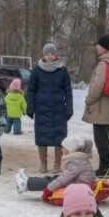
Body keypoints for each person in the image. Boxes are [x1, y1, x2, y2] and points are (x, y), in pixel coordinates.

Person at [27, 43, 74, 173]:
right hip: (41, 109)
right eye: (47, 54)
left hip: (59, 109)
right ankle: (43, 164)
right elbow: (31, 90)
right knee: (42, 138)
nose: (50, 57)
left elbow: (68, 91)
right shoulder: (37, 70)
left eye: (52, 54)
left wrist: (69, 108)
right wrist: (30, 107)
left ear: (56, 55)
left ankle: (57, 164)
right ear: (43, 55)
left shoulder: (62, 70)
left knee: (60, 138)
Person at [82, 34, 109, 178]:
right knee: (104, 138)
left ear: (104, 47)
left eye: (98, 45)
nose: (96, 47)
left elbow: (97, 86)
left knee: (101, 139)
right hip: (108, 106)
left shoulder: (104, 64)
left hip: (100, 107)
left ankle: (106, 167)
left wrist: (88, 100)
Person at [16, 134, 96, 198]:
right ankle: (29, 181)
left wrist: (48, 189)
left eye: (64, 148)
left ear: (71, 150)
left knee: (51, 182)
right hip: (76, 183)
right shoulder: (80, 160)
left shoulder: (77, 162)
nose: (62, 150)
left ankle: (25, 184)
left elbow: (63, 179)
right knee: (54, 178)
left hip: (76, 187)